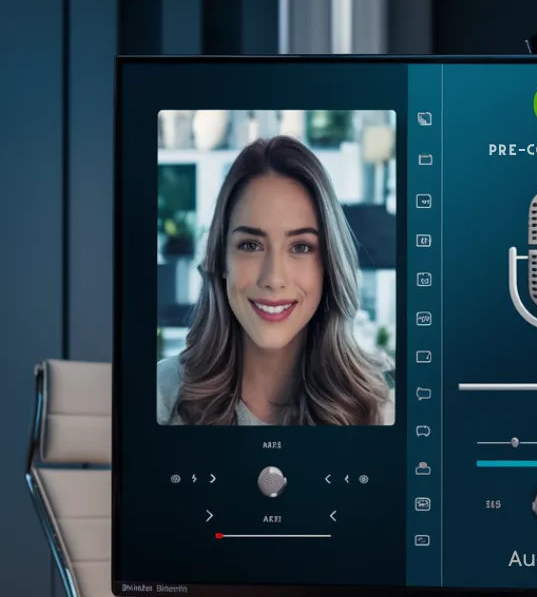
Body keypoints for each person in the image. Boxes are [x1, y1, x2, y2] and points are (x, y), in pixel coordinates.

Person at [157, 135, 392, 426]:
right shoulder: (159, 398)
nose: (274, 278)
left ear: (329, 265)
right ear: (221, 260)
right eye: (251, 246)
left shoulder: (382, 410)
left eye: (301, 247)